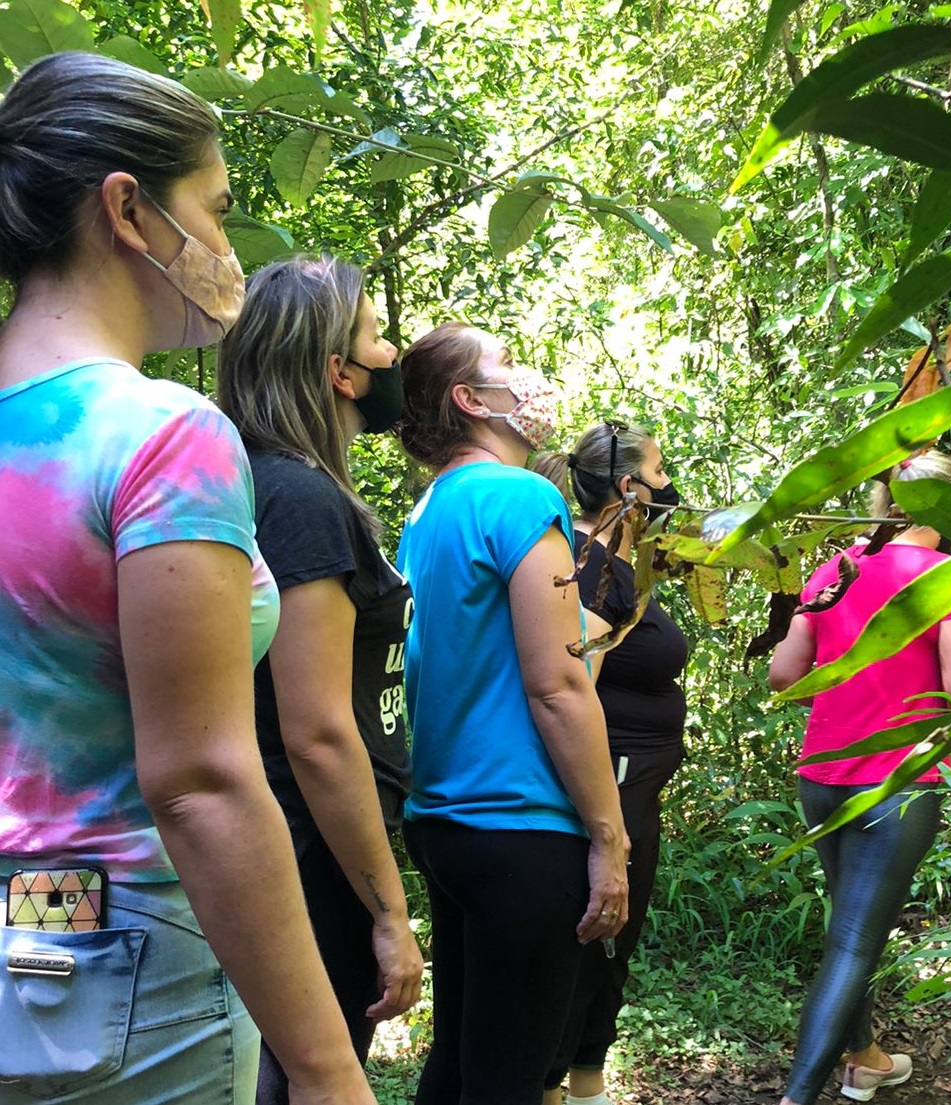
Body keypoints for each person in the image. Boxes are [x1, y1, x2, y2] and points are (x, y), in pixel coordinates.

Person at [0, 53, 375, 1105]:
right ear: (127, 209)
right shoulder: (162, 432)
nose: (223, 249)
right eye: (212, 210)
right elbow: (200, 781)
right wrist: (327, 1068)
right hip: (124, 948)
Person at [394, 322, 631, 1105]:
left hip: (445, 822)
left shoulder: (429, 510)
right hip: (522, 827)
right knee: (508, 1079)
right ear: (470, 399)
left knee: (462, 1062)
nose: (526, 376)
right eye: (507, 364)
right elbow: (557, 686)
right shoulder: (521, 495)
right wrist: (608, 833)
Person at [217, 256, 424, 1104]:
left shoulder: (269, 482)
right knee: (311, 1078)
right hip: (310, 852)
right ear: (337, 371)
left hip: (304, 846)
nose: (390, 354)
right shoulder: (298, 497)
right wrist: (388, 911)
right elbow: (317, 730)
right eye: (376, 336)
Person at [767, 450, 951, 1105]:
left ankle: (863, 1060)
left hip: (822, 774)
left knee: (848, 928)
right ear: (948, 510)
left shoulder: (835, 567)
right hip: (897, 783)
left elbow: (784, 673)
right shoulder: (948, 575)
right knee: (855, 940)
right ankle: (796, 1097)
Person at [533, 422, 689, 1105]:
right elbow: (572, 679)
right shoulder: (589, 566)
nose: (667, 484)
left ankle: (587, 1082)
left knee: (610, 953)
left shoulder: (619, 564)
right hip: (609, 787)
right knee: (588, 951)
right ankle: (547, 1087)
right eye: (658, 471)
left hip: (633, 788)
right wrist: (604, 824)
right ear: (628, 487)